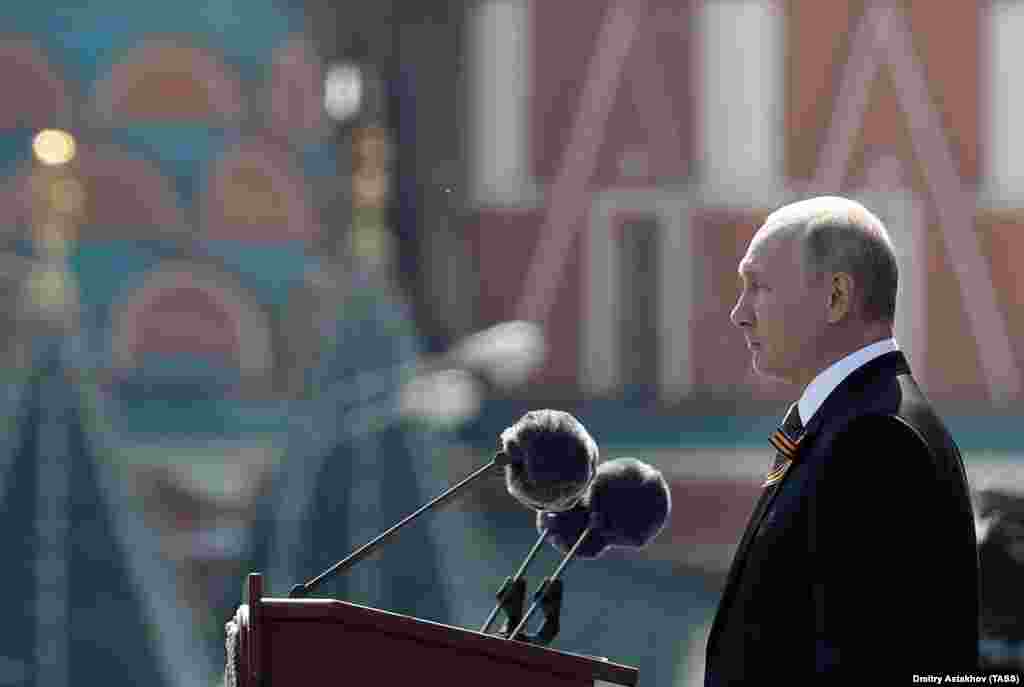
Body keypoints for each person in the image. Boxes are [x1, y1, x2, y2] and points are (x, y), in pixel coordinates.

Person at [704, 196, 979, 684]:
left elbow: (860, 665)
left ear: (835, 296)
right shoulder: (849, 421)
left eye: (758, 287)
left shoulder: (873, 438)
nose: (738, 313)